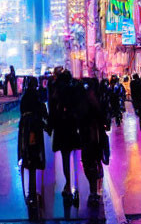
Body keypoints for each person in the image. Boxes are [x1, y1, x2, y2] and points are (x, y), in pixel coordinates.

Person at [48, 70, 80, 198]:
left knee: (66, 157)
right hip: (72, 126)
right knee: (76, 157)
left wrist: (50, 126)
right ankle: (76, 186)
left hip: (61, 127)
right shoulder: (73, 91)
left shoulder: (57, 92)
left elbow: (52, 110)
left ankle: (68, 184)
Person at [18, 76, 48, 207]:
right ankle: (33, 189)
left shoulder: (25, 97)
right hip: (35, 129)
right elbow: (42, 112)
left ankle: (31, 191)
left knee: (27, 156)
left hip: (25, 131)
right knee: (35, 157)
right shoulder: (36, 96)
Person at [79, 78, 108, 203]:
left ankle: (93, 190)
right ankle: (95, 189)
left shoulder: (87, 101)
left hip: (90, 137)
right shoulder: (96, 100)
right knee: (94, 161)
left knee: (89, 162)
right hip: (94, 137)